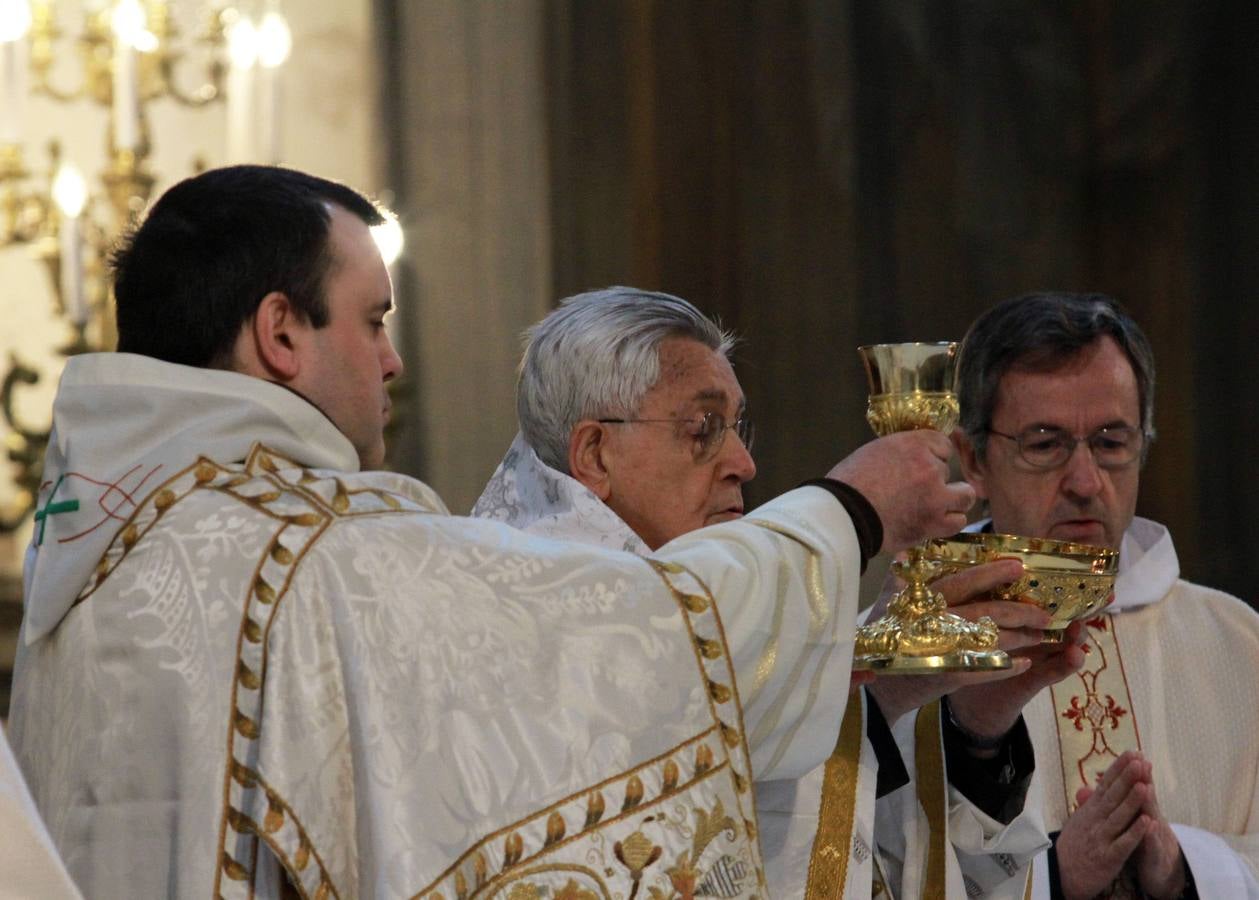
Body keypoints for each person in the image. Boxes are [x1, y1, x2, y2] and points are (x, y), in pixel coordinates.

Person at [8, 165, 975, 899]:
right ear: (281, 333)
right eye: (372, 318)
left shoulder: (98, 553)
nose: (390, 360)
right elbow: (655, 635)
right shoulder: (313, 560)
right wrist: (852, 507)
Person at [473, 287, 1072, 898]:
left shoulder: (718, 631)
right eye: (704, 427)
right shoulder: (536, 613)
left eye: (739, 427)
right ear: (595, 455)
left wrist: (923, 705)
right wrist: (853, 508)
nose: (742, 462)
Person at [953, 291, 1259, 898]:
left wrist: (1185, 867)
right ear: (974, 461)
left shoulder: (1241, 644)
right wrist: (1057, 880)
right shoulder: (909, 658)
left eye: (1112, 442)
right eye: (1045, 444)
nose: (1087, 482)